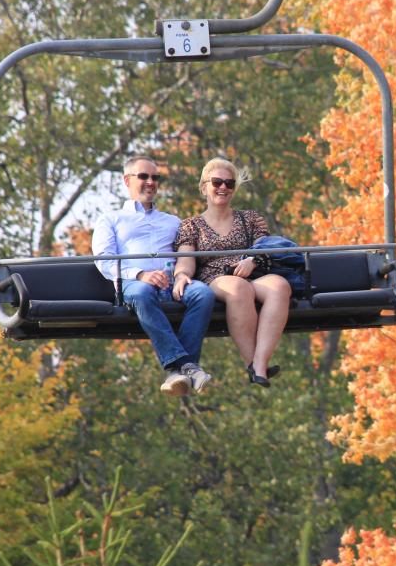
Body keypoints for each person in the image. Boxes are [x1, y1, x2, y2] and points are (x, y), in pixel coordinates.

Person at [92, 156, 215, 397]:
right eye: (144, 176)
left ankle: (180, 371)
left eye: (155, 177)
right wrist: (140, 274)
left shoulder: (173, 221)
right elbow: (103, 259)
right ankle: (183, 365)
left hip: (172, 284)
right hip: (134, 285)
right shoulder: (111, 219)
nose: (151, 182)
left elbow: (186, 254)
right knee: (142, 291)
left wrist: (181, 275)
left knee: (203, 293)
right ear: (127, 180)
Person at [174, 157, 292, 387]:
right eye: (217, 182)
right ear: (204, 187)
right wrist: (181, 275)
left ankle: (259, 362)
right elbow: (186, 260)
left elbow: (264, 247)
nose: (223, 188)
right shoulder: (191, 226)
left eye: (229, 183)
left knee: (279, 286)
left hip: (251, 272)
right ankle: (253, 363)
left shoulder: (250, 219)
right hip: (216, 276)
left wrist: (253, 260)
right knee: (239, 288)